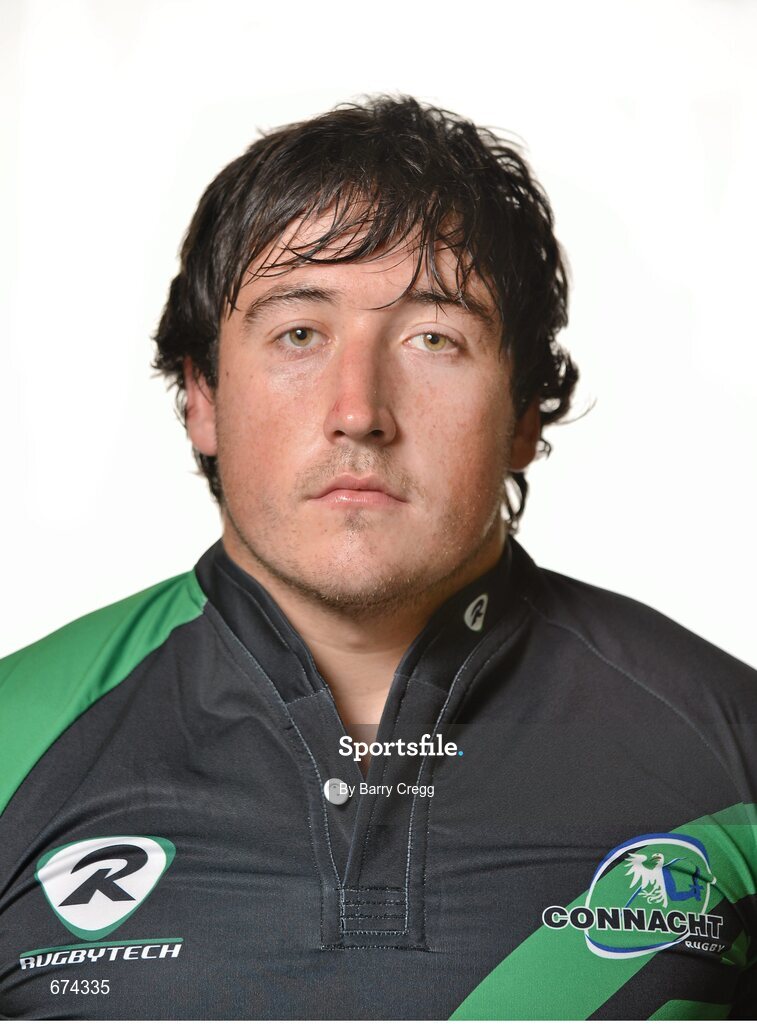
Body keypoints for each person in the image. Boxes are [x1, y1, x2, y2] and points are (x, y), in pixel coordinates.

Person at [1, 95, 755, 1021]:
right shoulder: (15, 741)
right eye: (298, 334)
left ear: (524, 411)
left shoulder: (734, 750)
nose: (358, 410)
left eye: (433, 338)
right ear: (201, 396)